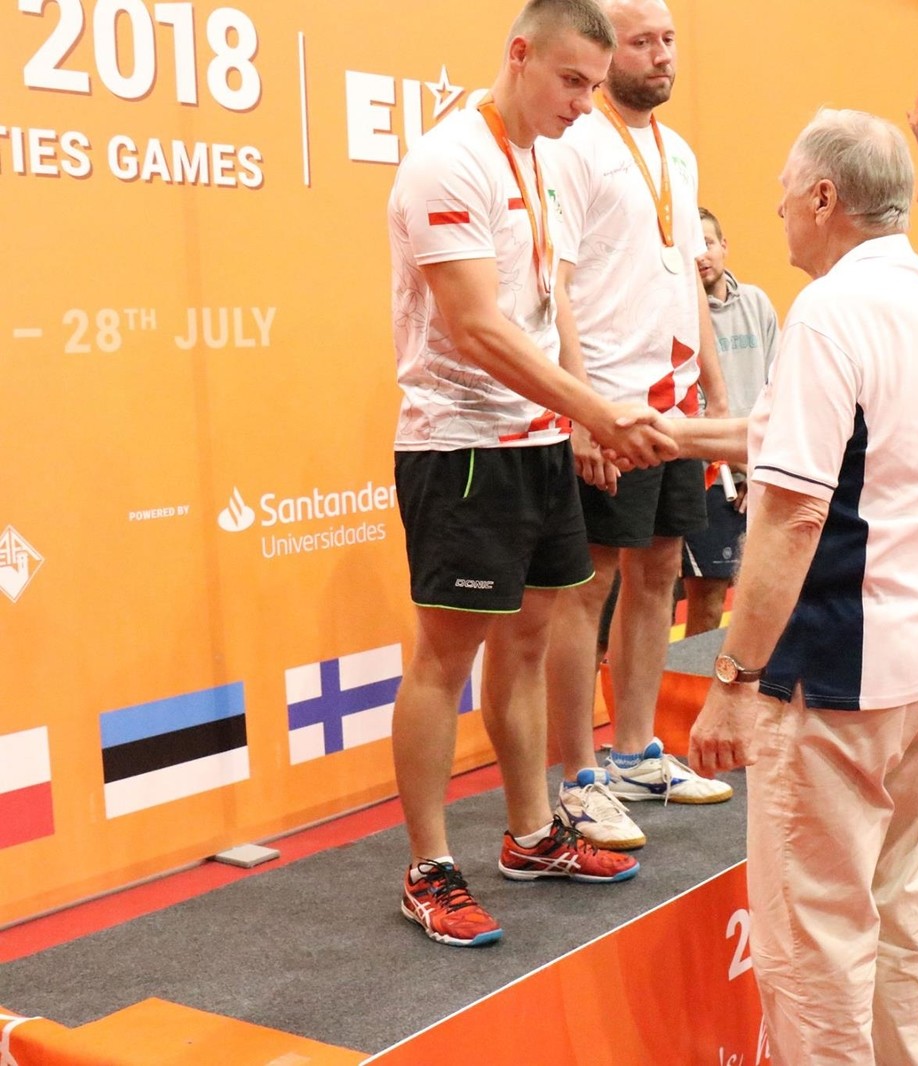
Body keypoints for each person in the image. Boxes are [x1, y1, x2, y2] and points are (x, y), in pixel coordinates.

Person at [664, 109, 918, 1065]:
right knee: (901, 906)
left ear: (824, 197)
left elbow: (795, 514)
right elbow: (814, 442)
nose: (776, 210)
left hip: (842, 671)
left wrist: (732, 677)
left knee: (814, 944)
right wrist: (671, 435)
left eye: (784, 192)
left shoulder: (829, 311)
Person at [386, 0, 672, 947]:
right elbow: (475, 326)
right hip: (462, 448)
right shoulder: (448, 161)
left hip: (542, 442)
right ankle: (428, 868)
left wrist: (580, 414)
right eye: (573, 81)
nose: (586, 103)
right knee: (444, 657)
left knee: (530, 641)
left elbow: (554, 306)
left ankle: (533, 834)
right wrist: (594, 408)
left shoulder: (547, 158)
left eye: (594, 85)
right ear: (520, 55)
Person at [541, 0, 733, 855]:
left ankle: (634, 755)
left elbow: (687, 279)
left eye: (669, 40)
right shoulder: (573, 143)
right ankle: (577, 780)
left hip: (674, 405)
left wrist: (715, 393)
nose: (661, 56)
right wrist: (581, 408)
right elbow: (555, 285)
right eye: (643, 42)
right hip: (608, 399)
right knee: (588, 589)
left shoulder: (678, 151)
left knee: (659, 573)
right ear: (604, 50)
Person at [681, 206, 780, 637]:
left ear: (724, 245)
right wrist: (736, 465)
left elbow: (780, 384)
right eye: (691, 247)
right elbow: (696, 405)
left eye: (707, 242)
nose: (700, 255)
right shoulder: (682, 315)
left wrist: (760, 470)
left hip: (761, 476)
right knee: (707, 605)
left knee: (765, 600)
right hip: (710, 478)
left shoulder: (756, 304)